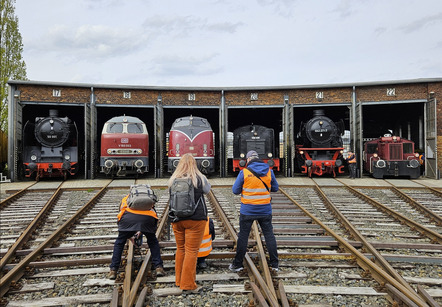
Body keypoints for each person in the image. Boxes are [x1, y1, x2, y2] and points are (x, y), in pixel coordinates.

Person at [229, 150, 279, 272]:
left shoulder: (244, 172)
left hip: (247, 211)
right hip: (265, 210)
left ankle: (237, 264)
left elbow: (235, 190)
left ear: (248, 160)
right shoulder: (269, 171)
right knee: (269, 235)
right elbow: (275, 188)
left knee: (243, 237)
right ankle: (275, 264)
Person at [168, 153, 211, 293]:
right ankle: (188, 285)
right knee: (192, 251)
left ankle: (179, 280)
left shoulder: (173, 179)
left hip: (177, 219)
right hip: (195, 220)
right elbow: (208, 190)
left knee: (181, 249)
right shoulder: (199, 178)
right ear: (195, 164)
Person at [108, 193, 165, 280]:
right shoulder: (148, 198)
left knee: (119, 243)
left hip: (127, 220)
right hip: (147, 219)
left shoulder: (126, 199)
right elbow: (147, 215)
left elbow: (121, 214)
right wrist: (141, 230)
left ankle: (113, 270)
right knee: (153, 241)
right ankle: (158, 267)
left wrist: (128, 235)